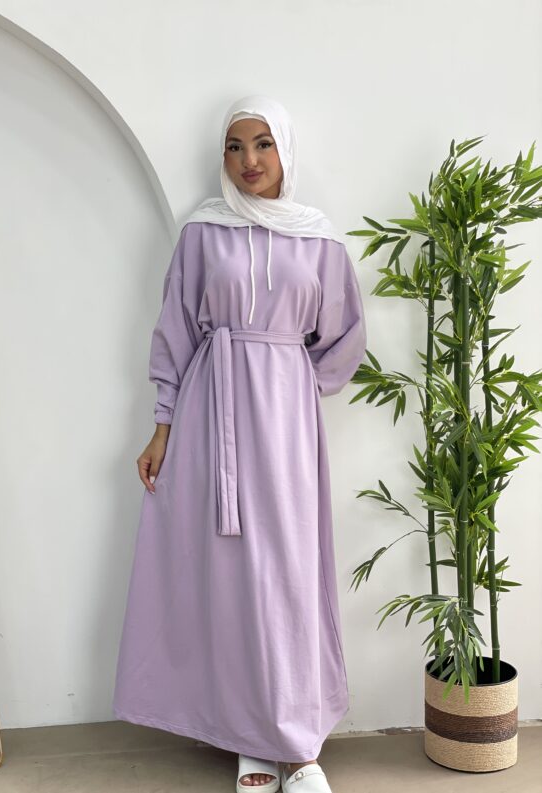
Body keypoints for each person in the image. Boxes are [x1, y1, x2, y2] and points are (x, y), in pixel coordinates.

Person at [113, 94, 367, 793]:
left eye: (262, 144)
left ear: (284, 150)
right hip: (209, 413)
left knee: (287, 573)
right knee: (227, 576)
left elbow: (345, 337)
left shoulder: (318, 239)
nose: (248, 160)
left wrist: (292, 385)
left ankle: (298, 743)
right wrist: (162, 426)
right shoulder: (203, 231)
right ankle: (248, 739)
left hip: (284, 424)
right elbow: (174, 330)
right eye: (234, 146)